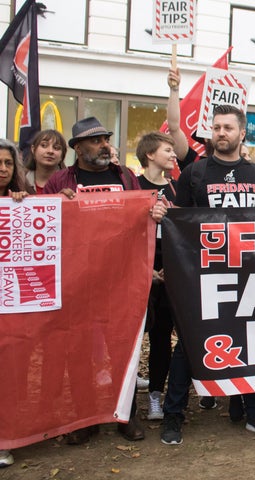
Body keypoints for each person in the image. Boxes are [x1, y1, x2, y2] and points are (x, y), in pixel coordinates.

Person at [44, 117, 168, 444]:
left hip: (121, 279)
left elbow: (144, 214)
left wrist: (154, 212)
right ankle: (87, 418)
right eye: (94, 140)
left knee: (123, 349)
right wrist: (58, 205)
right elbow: (43, 224)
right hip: (79, 280)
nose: (103, 145)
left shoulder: (124, 176)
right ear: (77, 148)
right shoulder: (60, 181)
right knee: (81, 352)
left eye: (105, 139)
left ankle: (125, 415)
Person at [161, 105, 255, 445]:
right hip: (202, 273)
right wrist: (162, 214)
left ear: (242, 134)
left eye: (228, 127)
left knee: (251, 340)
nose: (221, 132)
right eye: (216, 127)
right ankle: (173, 417)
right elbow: (178, 220)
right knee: (187, 345)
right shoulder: (195, 173)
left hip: (247, 272)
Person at [135, 132, 179, 420]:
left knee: (162, 336)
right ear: (150, 154)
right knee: (134, 337)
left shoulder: (177, 189)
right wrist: (144, 269)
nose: (174, 155)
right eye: (167, 150)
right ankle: (123, 400)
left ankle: (155, 396)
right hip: (139, 264)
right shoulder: (132, 186)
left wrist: (171, 268)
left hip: (169, 265)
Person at [0, 138, 32, 468]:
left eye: (8, 163)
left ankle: (6, 436)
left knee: (11, 373)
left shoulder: (23, 203)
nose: (2, 168)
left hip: (12, 305)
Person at [25, 129, 67, 194]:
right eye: (44, 145)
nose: (50, 151)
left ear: (62, 155)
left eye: (56, 148)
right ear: (33, 149)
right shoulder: (20, 181)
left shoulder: (71, 181)